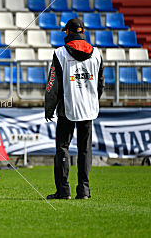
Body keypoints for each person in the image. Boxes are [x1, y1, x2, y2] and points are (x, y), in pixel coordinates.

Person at [44, 18, 104, 200]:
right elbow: (100, 84)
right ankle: (84, 191)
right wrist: (93, 100)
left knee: (62, 148)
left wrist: (49, 108)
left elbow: (52, 85)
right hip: (89, 108)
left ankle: (63, 191)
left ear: (69, 32)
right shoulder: (97, 53)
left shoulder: (60, 53)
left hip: (67, 107)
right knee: (85, 150)